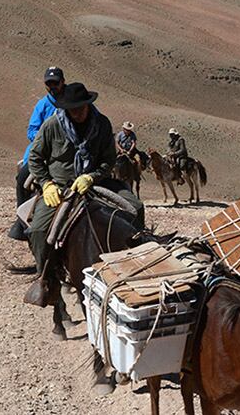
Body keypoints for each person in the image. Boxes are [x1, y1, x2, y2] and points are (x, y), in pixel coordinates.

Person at [26, 82, 145, 303]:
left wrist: (92, 176)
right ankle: (46, 279)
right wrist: (46, 184)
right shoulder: (53, 125)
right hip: (61, 187)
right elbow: (35, 158)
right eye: (73, 109)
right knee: (39, 230)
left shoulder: (101, 124)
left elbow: (108, 160)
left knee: (136, 207)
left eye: (81, 108)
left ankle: (139, 259)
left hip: (95, 181)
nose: (78, 113)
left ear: (88, 105)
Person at [14, 67, 65, 209]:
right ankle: (20, 219)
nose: (52, 87)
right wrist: (45, 140)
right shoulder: (42, 104)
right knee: (22, 179)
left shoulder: (73, 99)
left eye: (56, 83)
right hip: (43, 150)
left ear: (63, 81)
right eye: (49, 84)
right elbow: (31, 130)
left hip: (71, 149)